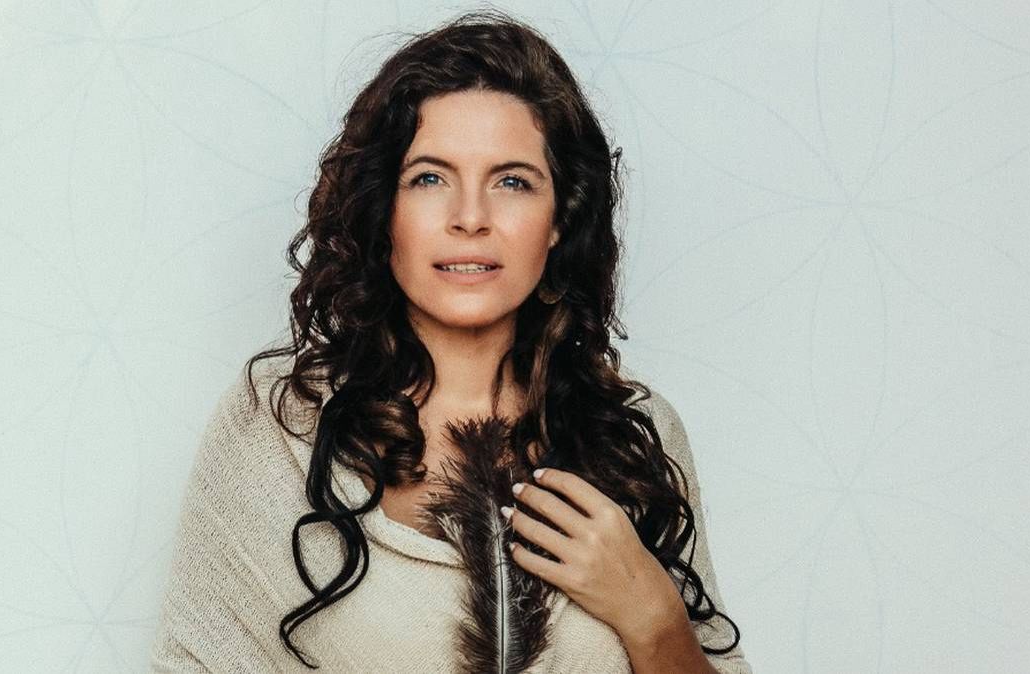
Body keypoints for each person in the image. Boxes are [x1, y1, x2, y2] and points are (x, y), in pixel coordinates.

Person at [150, 9, 752, 673]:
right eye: (430, 178)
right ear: (385, 211)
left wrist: (655, 618)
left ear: (559, 219)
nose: (470, 218)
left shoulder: (634, 433)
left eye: (512, 182)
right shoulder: (279, 427)